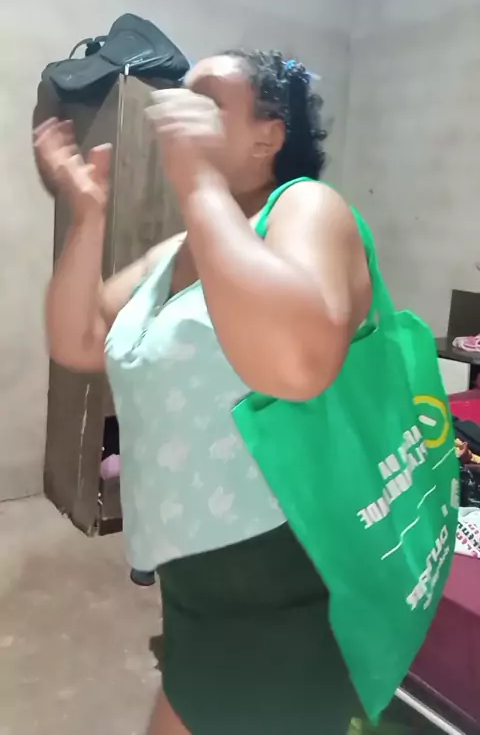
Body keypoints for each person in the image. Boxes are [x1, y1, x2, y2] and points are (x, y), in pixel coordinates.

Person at [35, 50, 372, 735]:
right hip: (193, 577)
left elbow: (300, 363)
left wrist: (198, 185)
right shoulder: (179, 249)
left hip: (280, 574)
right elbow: (78, 340)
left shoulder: (305, 208)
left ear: (268, 137)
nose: (175, 110)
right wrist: (88, 215)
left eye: (208, 100)